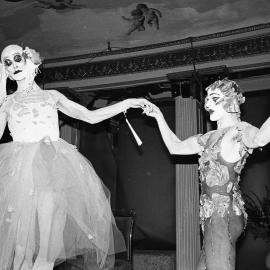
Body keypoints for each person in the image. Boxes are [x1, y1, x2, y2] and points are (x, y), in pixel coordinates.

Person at [0, 44, 146, 270]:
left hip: (49, 167)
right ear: (5, 71)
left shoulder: (52, 96)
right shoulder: (7, 102)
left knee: (46, 251)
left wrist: (125, 104)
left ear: (29, 60)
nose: (14, 65)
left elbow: (88, 116)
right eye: (7, 62)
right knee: (20, 253)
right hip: (18, 173)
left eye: (17, 58)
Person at [141, 78, 270, 270]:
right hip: (211, 217)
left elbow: (259, 139)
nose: (208, 104)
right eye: (207, 98)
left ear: (232, 101)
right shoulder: (207, 138)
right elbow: (175, 147)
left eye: (215, 98)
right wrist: (159, 115)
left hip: (222, 215)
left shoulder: (240, 130)